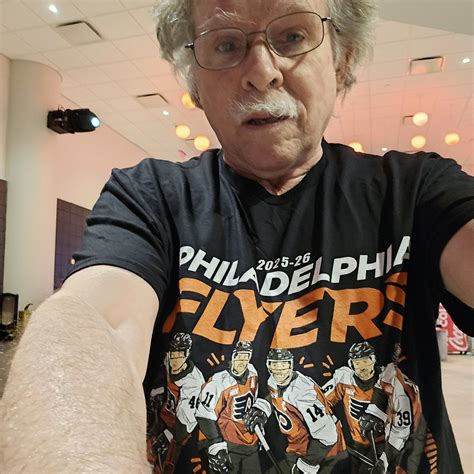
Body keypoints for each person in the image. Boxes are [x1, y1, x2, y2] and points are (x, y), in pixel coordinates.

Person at [1, 0, 472, 473]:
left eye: (292, 36)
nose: (261, 72)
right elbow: (97, 323)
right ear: (195, 84)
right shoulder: (151, 196)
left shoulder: (414, 191)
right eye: (226, 44)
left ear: (341, 59)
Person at [322, 342, 424, 473]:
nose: (362, 368)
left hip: (385, 444)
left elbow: (401, 430)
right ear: (351, 364)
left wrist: (385, 460)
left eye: (365, 361)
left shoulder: (394, 384)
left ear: (374, 360)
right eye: (357, 363)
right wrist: (329, 423)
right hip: (356, 444)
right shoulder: (344, 378)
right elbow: (319, 401)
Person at [196, 341, 269, 473]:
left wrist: (259, 411)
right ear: (233, 356)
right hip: (228, 445)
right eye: (240, 357)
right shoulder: (218, 382)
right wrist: (216, 444)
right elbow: (204, 414)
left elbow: (257, 398)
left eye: (246, 357)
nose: (242, 361)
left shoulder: (252, 373)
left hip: (250, 444)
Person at [147, 332, 205, 472]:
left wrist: (167, 435)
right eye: (173, 354)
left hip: (177, 431)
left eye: (179, 355)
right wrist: (158, 391)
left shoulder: (194, 383)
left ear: (187, 355)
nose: (175, 359)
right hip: (161, 416)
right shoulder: (169, 359)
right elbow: (162, 374)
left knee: (165, 466)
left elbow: (183, 428)